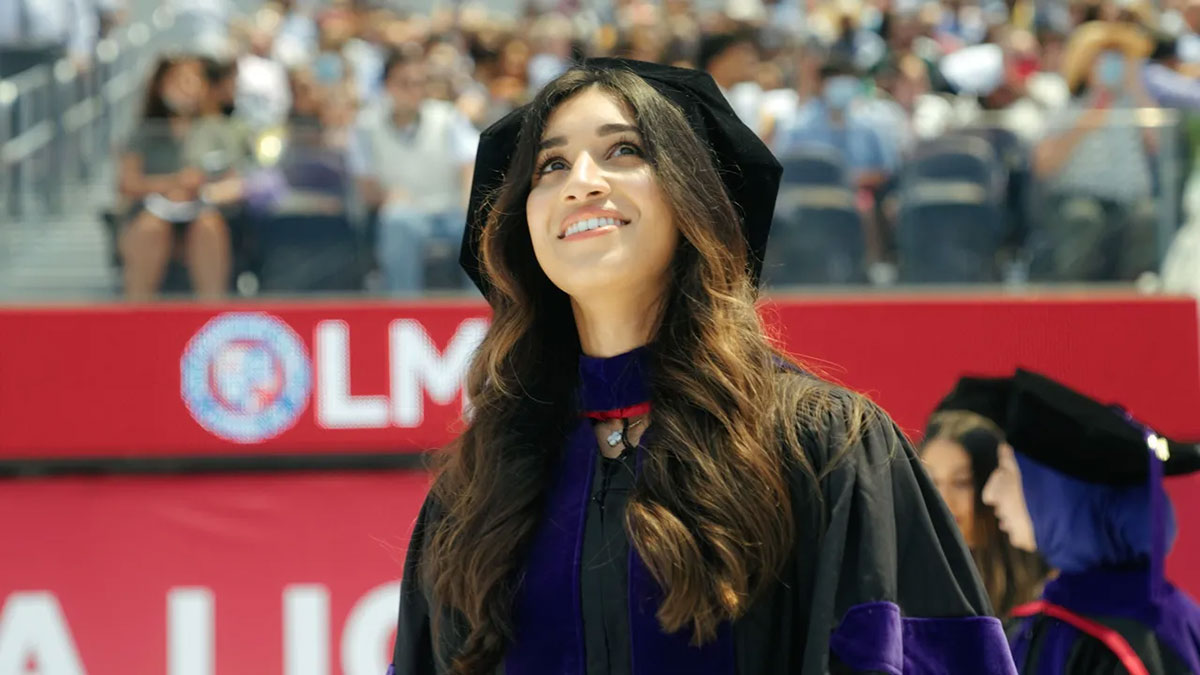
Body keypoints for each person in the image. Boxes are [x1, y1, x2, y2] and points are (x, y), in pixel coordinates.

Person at [388, 58, 1016, 675]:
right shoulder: (479, 486)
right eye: (550, 165)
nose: (581, 180)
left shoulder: (822, 446)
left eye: (623, 152)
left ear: (695, 197)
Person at [940, 369, 1200, 674]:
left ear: (1060, 496)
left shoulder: (1088, 643)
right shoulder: (1180, 617)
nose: (989, 494)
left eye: (1008, 471)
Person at [1030, 21, 1160, 282]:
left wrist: (1136, 87)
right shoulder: (1065, 103)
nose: (1111, 65)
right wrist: (1085, 124)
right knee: (1084, 219)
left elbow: (1157, 142)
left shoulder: (1135, 105)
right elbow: (1043, 164)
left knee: (1149, 218)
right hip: (1077, 198)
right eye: (1102, 58)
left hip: (1128, 200)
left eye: (1118, 58)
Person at [351, 48, 479, 293]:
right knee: (397, 221)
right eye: (405, 83)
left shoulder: (448, 117)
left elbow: (470, 165)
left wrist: (469, 206)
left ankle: (479, 316)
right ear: (388, 85)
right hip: (407, 214)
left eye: (419, 83)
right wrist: (386, 197)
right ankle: (404, 312)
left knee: (479, 224)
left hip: (452, 211)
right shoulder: (365, 126)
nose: (413, 90)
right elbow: (365, 187)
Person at [116, 55, 233, 299]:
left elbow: (235, 178)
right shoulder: (143, 133)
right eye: (179, 80)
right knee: (150, 228)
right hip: (151, 211)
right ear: (161, 85)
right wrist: (172, 184)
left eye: (193, 81)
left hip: (203, 210)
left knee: (209, 227)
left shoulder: (218, 129)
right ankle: (137, 313)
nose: (186, 88)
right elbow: (127, 183)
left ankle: (211, 315)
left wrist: (204, 188)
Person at [920, 410, 1048, 619]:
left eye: (962, 483)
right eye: (931, 482)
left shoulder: (1041, 586)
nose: (942, 500)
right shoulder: (907, 578)